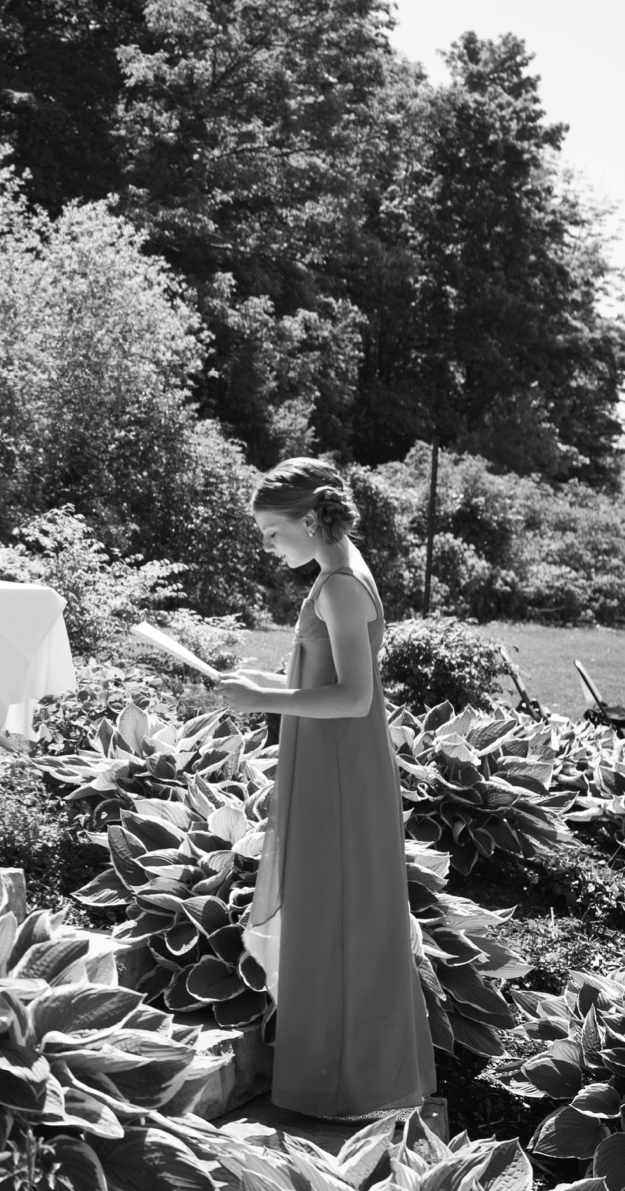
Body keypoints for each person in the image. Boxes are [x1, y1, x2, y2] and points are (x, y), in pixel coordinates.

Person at [212, 457, 437, 1121]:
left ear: (310, 520)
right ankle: (341, 1081)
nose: (268, 546)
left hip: (341, 770)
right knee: (335, 916)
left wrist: (260, 694)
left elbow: (353, 697)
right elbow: (327, 679)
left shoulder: (339, 585)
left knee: (339, 919)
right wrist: (272, 684)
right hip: (333, 762)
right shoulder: (340, 571)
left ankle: (349, 1089)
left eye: (273, 533)